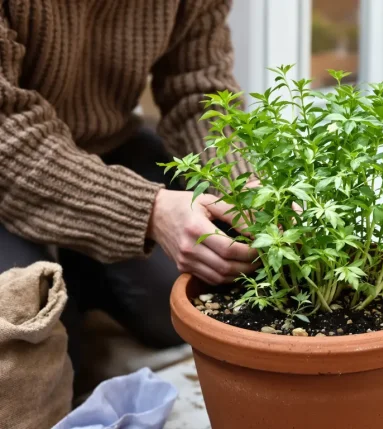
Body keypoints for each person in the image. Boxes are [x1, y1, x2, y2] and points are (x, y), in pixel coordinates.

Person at [0, 0, 255, 376]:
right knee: (41, 357)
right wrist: (147, 211)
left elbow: (200, 85)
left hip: (107, 145)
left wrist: (241, 182)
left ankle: (81, 266)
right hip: (9, 156)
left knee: (191, 297)